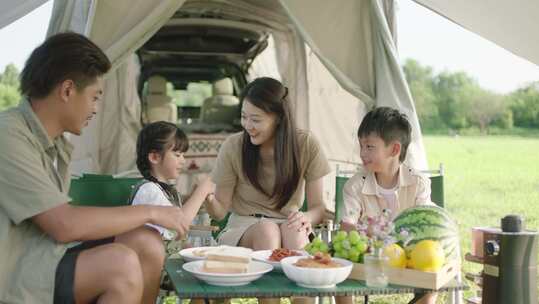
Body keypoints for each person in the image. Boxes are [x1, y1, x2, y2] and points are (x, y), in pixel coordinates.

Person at [0, 32, 189, 304]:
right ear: (67, 90)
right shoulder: (9, 135)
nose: (96, 108)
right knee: (119, 265)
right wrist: (152, 211)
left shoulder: (54, 145)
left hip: (45, 255)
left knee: (145, 240)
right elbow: (64, 225)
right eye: (95, 97)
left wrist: (151, 218)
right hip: (15, 270)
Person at [205, 77, 331, 251]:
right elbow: (219, 212)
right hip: (243, 225)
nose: (248, 126)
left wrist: (306, 217)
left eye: (256, 120)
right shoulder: (233, 146)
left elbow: (318, 208)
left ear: (278, 118)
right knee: (268, 232)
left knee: (294, 234)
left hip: (289, 222)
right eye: (244, 117)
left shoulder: (306, 144)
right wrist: (208, 199)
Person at [339, 106, 436, 304]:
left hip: (409, 258)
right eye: (361, 146)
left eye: (370, 147)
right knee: (340, 269)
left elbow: (426, 227)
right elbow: (346, 226)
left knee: (432, 268)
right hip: (368, 258)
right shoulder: (355, 185)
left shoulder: (419, 183)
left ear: (394, 149)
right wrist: (363, 230)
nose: (362, 153)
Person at [130, 121, 214, 240]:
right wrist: (202, 190)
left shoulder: (162, 189)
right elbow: (179, 223)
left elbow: (175, 213)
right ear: (154, 157)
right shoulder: (148, 191)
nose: (183, 161)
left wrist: (192, 196)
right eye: (177, 155)